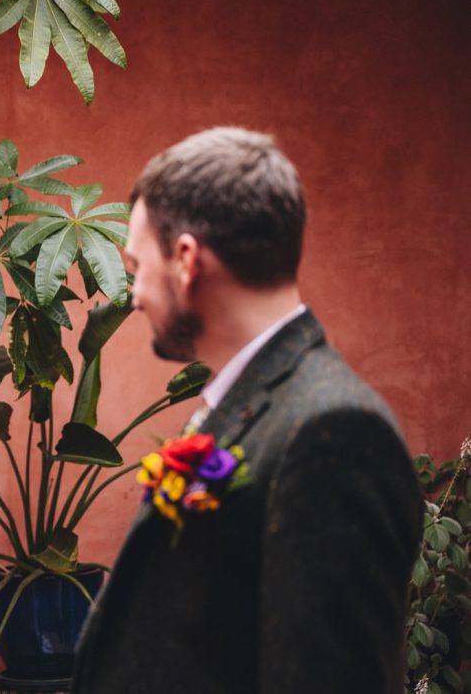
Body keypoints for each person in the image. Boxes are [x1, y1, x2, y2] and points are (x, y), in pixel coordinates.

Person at [71, 128, 422, 693]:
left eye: (137, 265)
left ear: (186, 260)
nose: (133, 294)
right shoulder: (248, 403)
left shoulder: (334, 431)